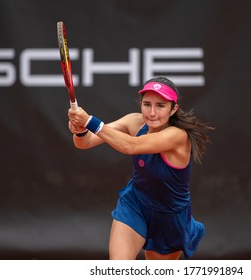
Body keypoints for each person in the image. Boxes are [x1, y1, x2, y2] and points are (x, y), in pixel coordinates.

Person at [68, 76, 213, 260]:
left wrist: (89, 121)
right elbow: (85, 142)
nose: (152, 112)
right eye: (147, 104)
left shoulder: (178, 136)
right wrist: (80, 129)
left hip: (169, 217)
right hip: (135, 204)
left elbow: (130, 146)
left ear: (173, 109)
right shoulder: (134, 121)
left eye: (160, 106)